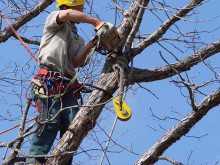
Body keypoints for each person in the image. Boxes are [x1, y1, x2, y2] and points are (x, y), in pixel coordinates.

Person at [26, 0, 104, 164]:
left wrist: (90, 45)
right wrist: (96, 22)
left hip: (67, 86)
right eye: (79, 9)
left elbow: (75, 62)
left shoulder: (77, 38)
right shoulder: (54, 20)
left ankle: (64, 160)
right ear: (68, 6)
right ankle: (34, 160)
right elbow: (67, 15)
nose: (82, 12)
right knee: (50, 121)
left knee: (74, 124)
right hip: (49, 81)